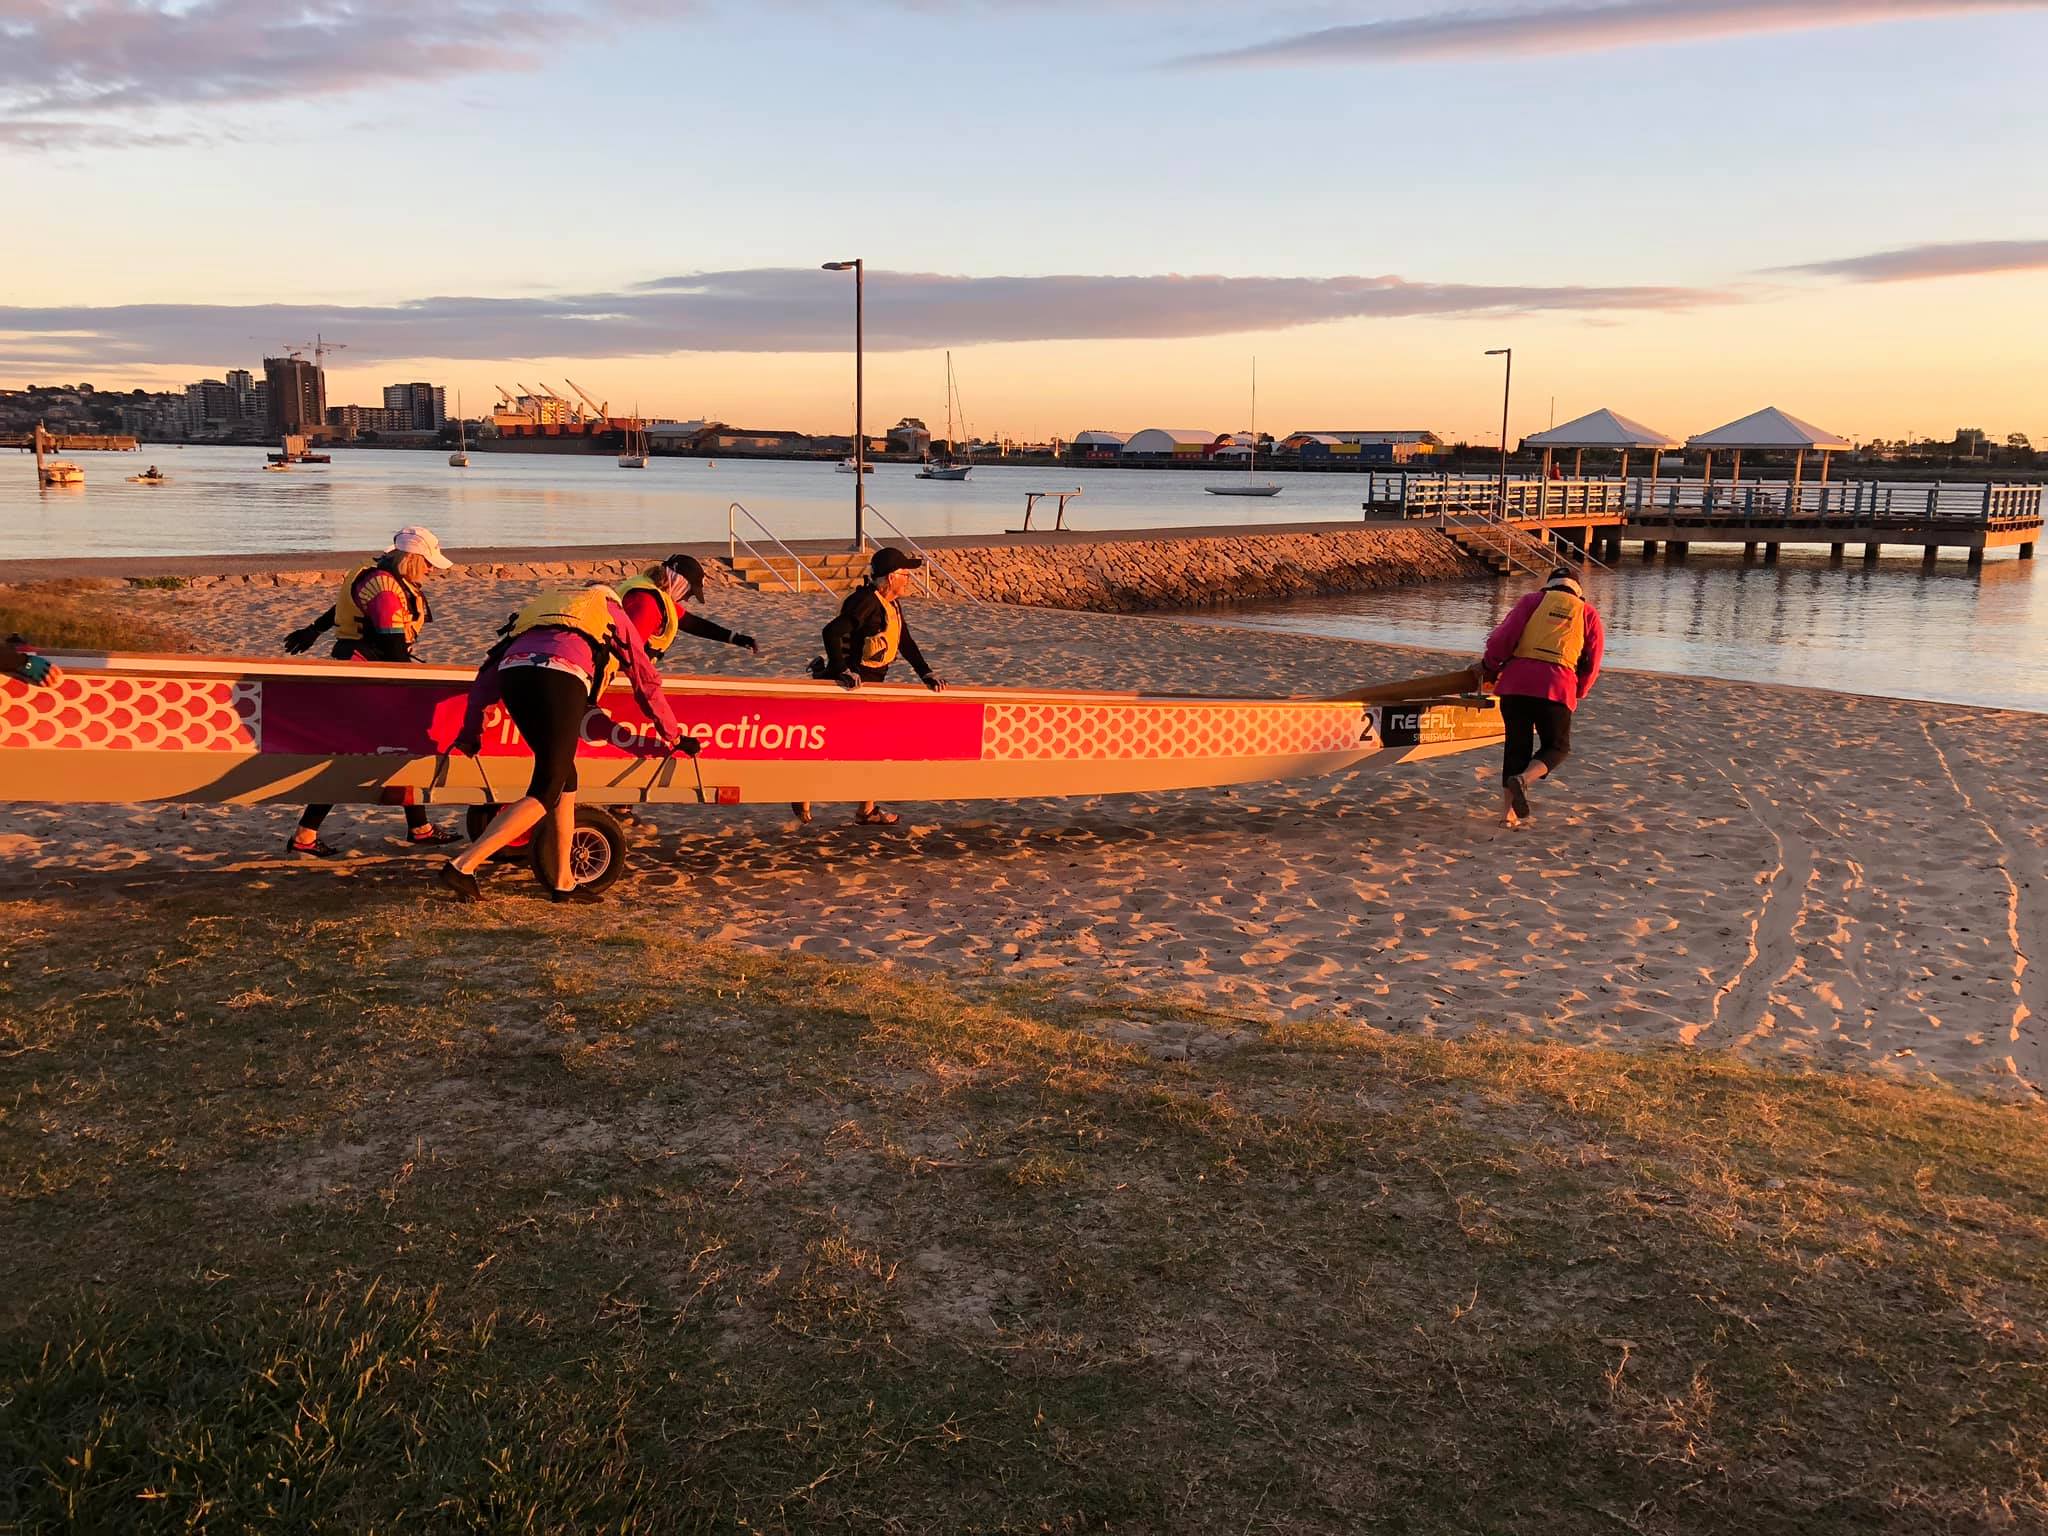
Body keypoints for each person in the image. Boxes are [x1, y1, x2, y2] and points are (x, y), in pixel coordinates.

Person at [438, 583, 687, 904]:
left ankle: (563, 882)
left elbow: (486, 676)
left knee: (566, 779)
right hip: (561, 674)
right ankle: (463, 866)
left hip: (513, 674)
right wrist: (672, 733)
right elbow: (644, 675)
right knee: (546, 787)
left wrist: (472, 732)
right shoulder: (609, 609)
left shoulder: (539, 611)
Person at [280, 526, 462, 856]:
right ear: (412, 559)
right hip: (367, 675)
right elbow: (393, 648)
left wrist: (313, 630)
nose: (432, 570)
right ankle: (306, 835)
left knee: (393, 748)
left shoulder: (374, 573)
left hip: (362, 668)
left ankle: (418, 827)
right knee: (365, 755)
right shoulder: (385, 590)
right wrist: (415, 689)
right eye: (428, 563)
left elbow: (341, 611)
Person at [800, 545, 946, 827]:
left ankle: (865, 810)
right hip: (851, 686)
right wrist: (842, 669)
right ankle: (803, 792)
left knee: (870, 748)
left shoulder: (891, 602)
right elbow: (830, 632)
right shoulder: (866, 602)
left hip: (873, 685)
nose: (909, 579)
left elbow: (904, 641)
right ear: (891, 577)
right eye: (906, 574)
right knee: (844, 745)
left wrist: (926, 673)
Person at [1481, 567, 1604, 827]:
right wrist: (1579, 690)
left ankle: (1507, 817)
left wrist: (1490, 665)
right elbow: (1592, 662)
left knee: (1516, 748)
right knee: (1557, 747)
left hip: (1516, 685)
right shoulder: (1588, 613)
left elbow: (1503, 639)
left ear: (1549, 586)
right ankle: (1524, 780)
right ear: (1577, 591)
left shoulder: (1530, 601)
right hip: (1557, 687)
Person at [615, 554, 759, 664]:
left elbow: (691, 623)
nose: (687, 599)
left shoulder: (650, 591)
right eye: (689, 592)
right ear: (679, 583)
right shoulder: (646, 603)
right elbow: (627, 655)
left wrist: (735, 638)